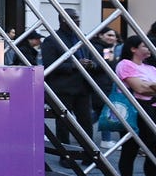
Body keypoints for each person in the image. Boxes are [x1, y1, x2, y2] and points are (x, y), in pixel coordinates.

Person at [40, 9, 98, 166]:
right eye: (75, 18)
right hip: (63, 89)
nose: (79, 21)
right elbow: (50, 64)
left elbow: (94, 58)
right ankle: (65, 156)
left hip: (83, 88)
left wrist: (91, 64)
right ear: (65, 20)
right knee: (64, 124)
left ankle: (88, 154)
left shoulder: (82, 38)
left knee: (86, 123)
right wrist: (75, 65)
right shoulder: (52, 40)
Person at [115, 35, 156, 176]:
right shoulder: (125, 64)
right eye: (144, 45)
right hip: (135, 109)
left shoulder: (151, 68)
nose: (149, 48)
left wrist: (150, 85)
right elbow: (139, 88)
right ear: (133, 49)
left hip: (153, 109)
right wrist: (155, 87)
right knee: (131, 146)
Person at [89, 27, 119, 147]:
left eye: (114, 36)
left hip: (103, 84)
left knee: (99, 111)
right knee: (106, 111)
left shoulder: (104, 48)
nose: (112, 38)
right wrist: (110, 54)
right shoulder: (101, 48)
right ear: (100, 35)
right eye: (109, 35)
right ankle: (106, 140)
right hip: (101, 85)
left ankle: (77, 128)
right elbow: (104, 66)